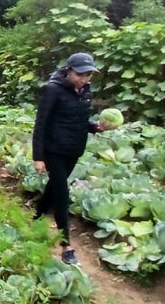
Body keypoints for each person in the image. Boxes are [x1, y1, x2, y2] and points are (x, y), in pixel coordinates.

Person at [32, 53, 110, 266]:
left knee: (56, 186)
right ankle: (66, 245)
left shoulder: (85, 91)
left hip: (74, 149)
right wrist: (38, 157)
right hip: (53, 149)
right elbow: (40, 124)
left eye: (88, 75)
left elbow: (80, 119)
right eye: (80, 74)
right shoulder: (52, 90)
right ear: (68, 71)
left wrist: (95, 127)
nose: (84, 79)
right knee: (62, 193)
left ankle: (37, 214)